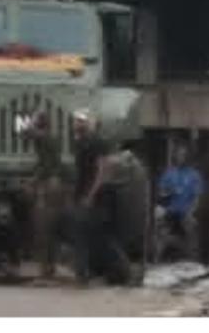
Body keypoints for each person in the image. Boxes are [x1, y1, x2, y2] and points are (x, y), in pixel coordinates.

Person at [67, 108, 133, 285]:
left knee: (95, 237)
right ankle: (86, 274)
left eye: (81, 121)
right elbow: (81, 172)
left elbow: (102, 171)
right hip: (83, 195)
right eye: (76, 120)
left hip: (96, 198)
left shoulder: (98, 143)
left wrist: (90, 195)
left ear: (90, 123)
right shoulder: (81, 143)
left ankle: (85, 275)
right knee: (90, 236)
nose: (77, 123)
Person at [22, 110, 68, 280]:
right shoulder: (51, 138)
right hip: (55, 184)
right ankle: (50, 267)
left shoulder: (43, 137)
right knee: (50, 228)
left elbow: (26, 133)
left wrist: (33, 180)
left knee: (42, 228)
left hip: (47, 186)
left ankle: (45, 270)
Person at [156, 141, 203, 260]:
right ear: (175, 156)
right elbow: (161, 194)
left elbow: (197, 199)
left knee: (191, 226)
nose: (181, 157)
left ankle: (193, 262)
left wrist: (190, 213)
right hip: (170, 212)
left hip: (186, 213)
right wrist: (170, 192)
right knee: (160, 228)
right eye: (179, 154)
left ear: (188, 157)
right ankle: (157, 260)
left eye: (184, 154)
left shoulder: (194, 175)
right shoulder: (168, 173)